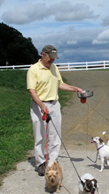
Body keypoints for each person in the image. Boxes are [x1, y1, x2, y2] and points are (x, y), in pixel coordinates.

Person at [27, 45, 83, 176]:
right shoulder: (33, 69)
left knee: (55, 135)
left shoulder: (54, 68)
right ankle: (41, 163)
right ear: (42, 54)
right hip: (39, 105)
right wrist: (41, 105)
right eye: (50, 58)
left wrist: (76, 89)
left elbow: (60, 84)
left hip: (54, 104)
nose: (52, 60)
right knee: (40, 135)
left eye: (54, 58)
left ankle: (52, 162)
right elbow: (31, 90)